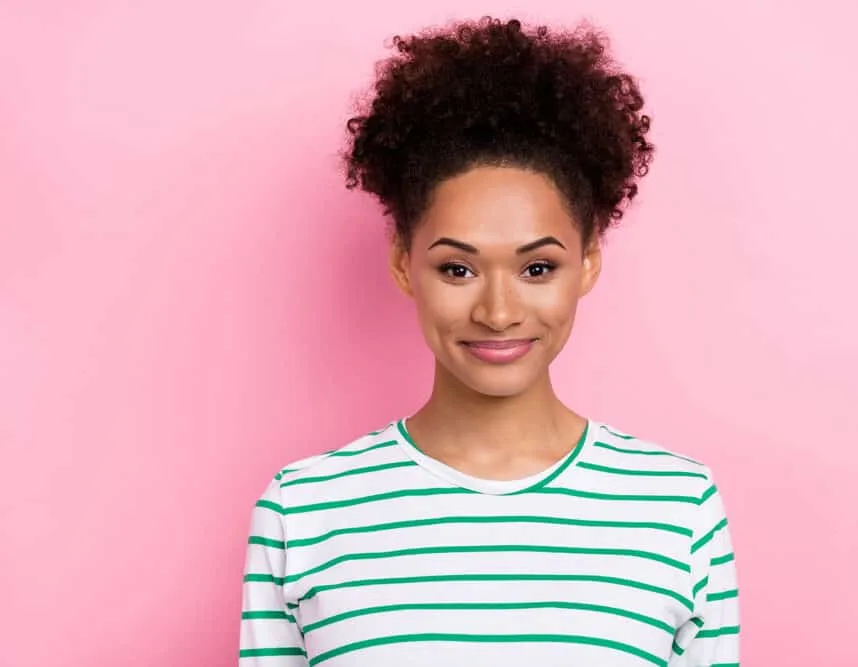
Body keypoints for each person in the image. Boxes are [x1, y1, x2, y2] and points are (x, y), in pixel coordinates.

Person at [238, 16, 739, 667]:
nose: (499, 311)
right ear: (402, 263)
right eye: (457, 268)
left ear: (587, 262)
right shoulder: (303, 510)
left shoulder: (677, 505)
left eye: (537, 268)